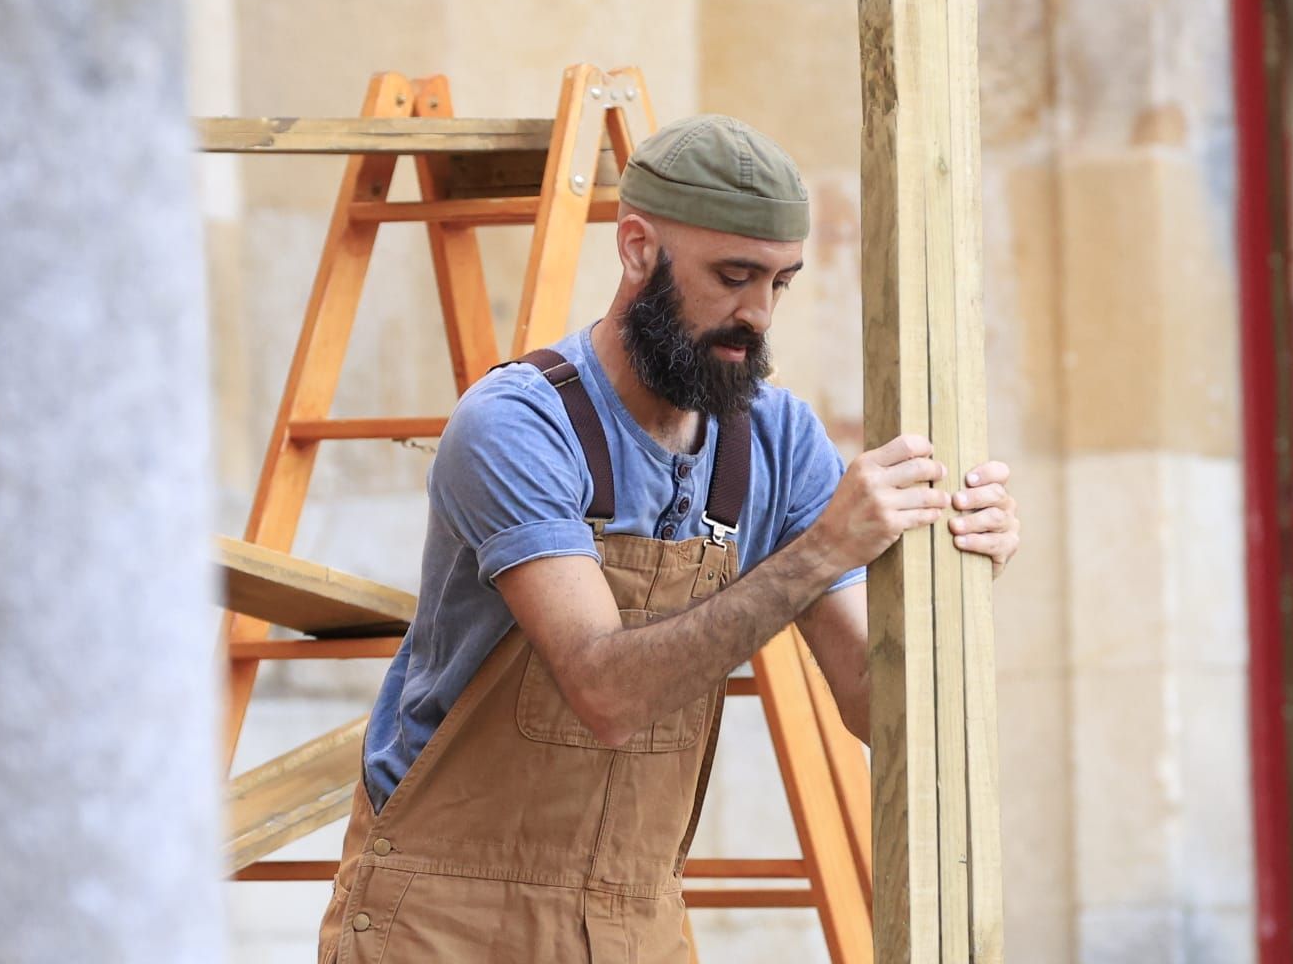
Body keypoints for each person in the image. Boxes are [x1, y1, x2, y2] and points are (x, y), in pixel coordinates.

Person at [316, 114, 1022, 963]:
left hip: (634, 923)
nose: (757, 313)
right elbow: (605, 692)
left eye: (780, 283)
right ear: (638, 248)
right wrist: (825, 551)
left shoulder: (778, 440)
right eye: (733, 275)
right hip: (444, 923)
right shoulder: (517, 425)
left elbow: (877, 707)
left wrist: (958, 576)